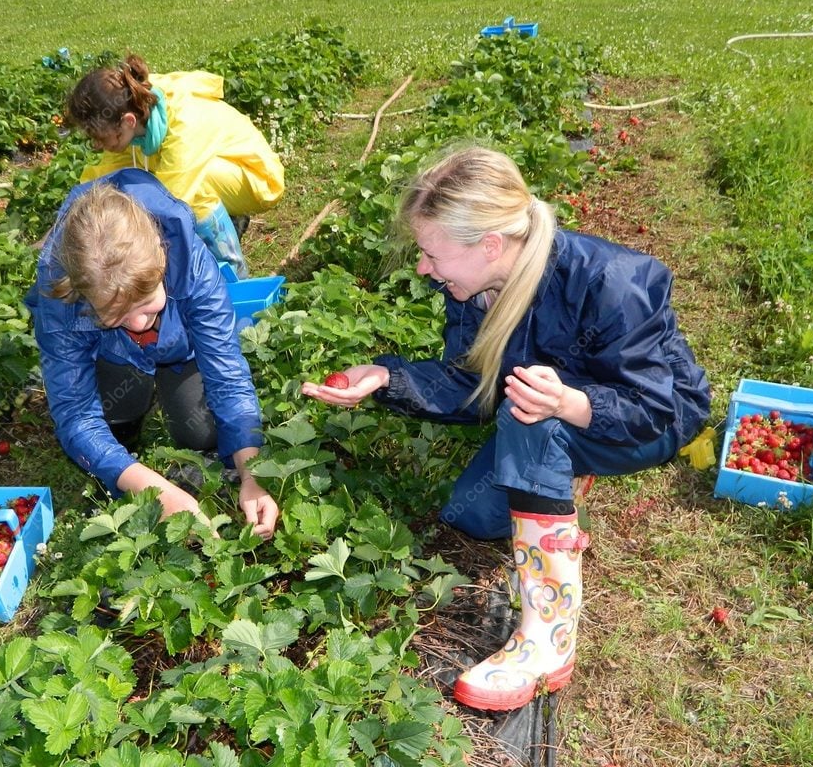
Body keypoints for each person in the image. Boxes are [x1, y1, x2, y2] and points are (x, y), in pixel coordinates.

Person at [301, 146, 710, 711]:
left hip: (644, 418)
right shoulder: (475, 288)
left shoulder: (612, 282)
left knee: (530, 419)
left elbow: (658, 407)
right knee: (473, 514)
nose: (424, 268)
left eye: (430, 253)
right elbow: (472, 390)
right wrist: (385, 377)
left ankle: (549, 640)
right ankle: (560, 468)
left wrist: (570, 403)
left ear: (489, 244)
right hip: (558, 412)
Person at [26, 167, 279, 539]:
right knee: (111, 419)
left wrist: (252, 474)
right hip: (115, 358)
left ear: (162, 258)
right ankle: (125, 427)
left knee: (202, 432)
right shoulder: (61, 296)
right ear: (81, 295)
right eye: (114, 314)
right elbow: (76, 413)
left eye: (147, 304)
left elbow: (227, 375)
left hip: (181, 352)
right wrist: (151, 488)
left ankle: (166, 395)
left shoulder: (189, 261)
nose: (139, 322)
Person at [65, 54, 286, 278]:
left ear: (128, 122)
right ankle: (227, 221)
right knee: (136, 185)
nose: (96, 144)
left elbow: (172, 201)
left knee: (190, 193)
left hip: (255, 175)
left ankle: (234, 276)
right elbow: (103, 176)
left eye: (100, 137)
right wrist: (68, 220)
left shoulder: (183, 122)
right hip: (216, 170)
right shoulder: (133, 108)